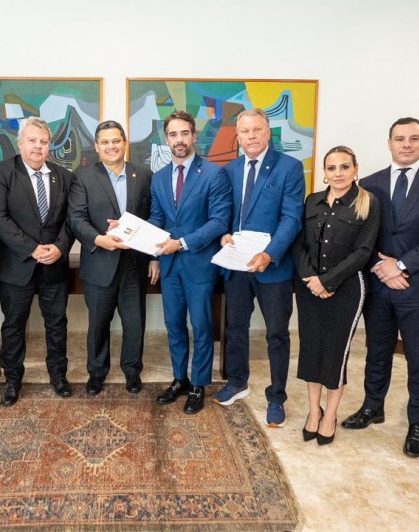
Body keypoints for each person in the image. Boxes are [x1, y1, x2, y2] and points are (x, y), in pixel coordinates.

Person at [341, 117, 419, 458]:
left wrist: (401, 265)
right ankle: (372, 406)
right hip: (379, 284)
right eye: (400, 138)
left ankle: (417, 423)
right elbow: (360, 235)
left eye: (413, 138)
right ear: (389, 143)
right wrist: (383, 269)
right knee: (376, 351)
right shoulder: (369, 184)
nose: (406, 144)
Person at [213, 108, 303, 428]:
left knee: (277, 333)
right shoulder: (230, 169)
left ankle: (276, 397)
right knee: (235, 327)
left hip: (272, 267)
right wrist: (223, 234)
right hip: (237, 265)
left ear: (268, 132)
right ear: (237, 136)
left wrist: (269, 253)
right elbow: (225, 212)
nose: (250, 136)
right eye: (245, 131)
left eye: (256, 130)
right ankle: (238, 381)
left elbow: (291, 218)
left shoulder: (289, 167)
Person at [293, 146, 379, 445]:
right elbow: (300, 244)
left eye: (344, 167)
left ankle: (329, 415)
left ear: (355, 169)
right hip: (309, 288)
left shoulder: (368, 203)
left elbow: (363, 252)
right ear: (324, 172)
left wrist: (328, 282)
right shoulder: (312, 201)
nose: (338, 173)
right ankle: (313, 412)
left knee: (334, 354)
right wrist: (311, 280)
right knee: (311, 350)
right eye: (331, 168)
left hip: (346, 289)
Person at [148, 110, 231, 414]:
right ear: (166, 139)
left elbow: (218, 221)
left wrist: (181, 243)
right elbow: (157, 218)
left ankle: (198, 384)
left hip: (199, 264)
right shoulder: (158, 177)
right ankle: (179, 379)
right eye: (173, 134)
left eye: (184, 133)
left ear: (194, 136)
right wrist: (132, 232)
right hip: (169, 265)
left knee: (201, 326)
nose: (179, 139)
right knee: (173, 325)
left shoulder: (213, 174)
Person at [0, 117, 74, 405]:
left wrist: (60, 247)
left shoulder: (64, 176)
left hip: (54, 266)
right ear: (20, 143)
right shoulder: (2, 172)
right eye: (32, 140)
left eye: (43, 142)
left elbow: (71, 219)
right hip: (16, 265)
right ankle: (12, 380)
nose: (38, 146)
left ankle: (58, 377)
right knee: (13, 325)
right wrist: (31, 249)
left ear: (49, 146)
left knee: (57, 324)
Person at [68, 120, 156, 395]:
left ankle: (132, 371)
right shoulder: (83, 177)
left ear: (125, 143)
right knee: (98, 325)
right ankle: (96, 373)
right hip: (99, 264)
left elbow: (154, 216)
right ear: (97, 146)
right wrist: (98, 239)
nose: (111, 146)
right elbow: (76, 218)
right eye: (105, 142)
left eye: (116, 140)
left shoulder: (144, 175)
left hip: (134, 265)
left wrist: (154, 256)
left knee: (134, 324)